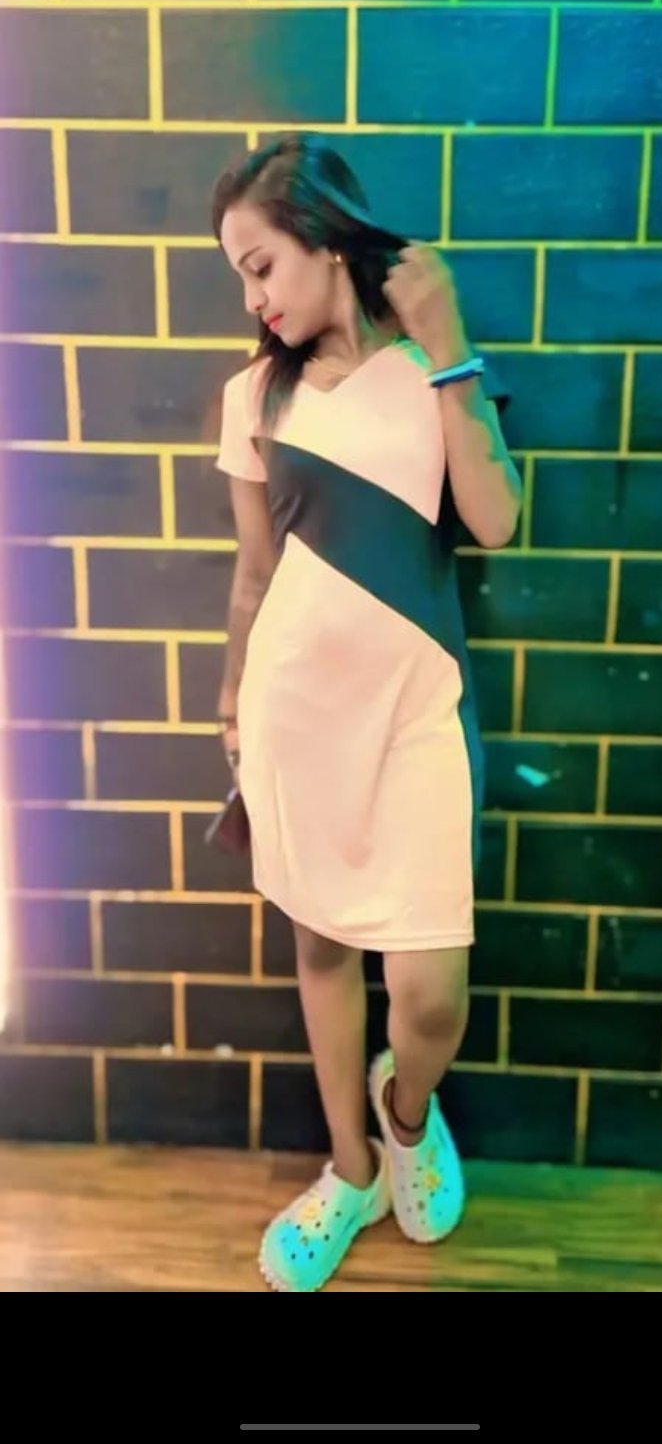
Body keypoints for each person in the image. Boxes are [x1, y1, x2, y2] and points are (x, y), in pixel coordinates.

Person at [212, 134, 522, 1292]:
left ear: (322, 238)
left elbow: (496, 521)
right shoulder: (255, 395)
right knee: (324, 947)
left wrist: (450, 350)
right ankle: (349, 1170)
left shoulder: (428, 367)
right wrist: (231, 702)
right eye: (240, 277)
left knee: (432, 996)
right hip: (296, 717)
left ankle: (406, 1113)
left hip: (416, 715)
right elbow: (253, 572)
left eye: (260, 265)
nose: (253, 297)